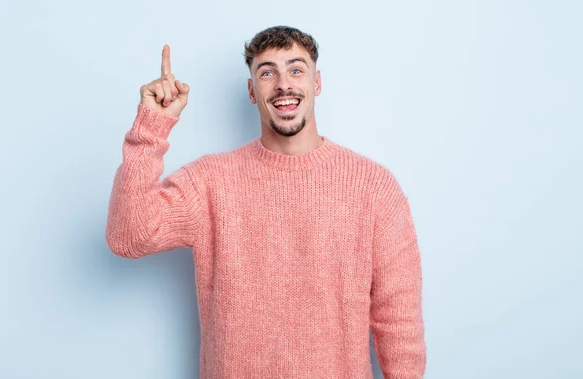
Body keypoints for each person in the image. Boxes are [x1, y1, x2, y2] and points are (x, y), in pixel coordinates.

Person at [106, 25, 426, 379]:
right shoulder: (211, 182)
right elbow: (128, 236)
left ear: (316, 83)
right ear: (252, 91)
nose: (283, 84)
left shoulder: (374, 187)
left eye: (296, 69)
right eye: (267, 72)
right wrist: (153, 125)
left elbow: (399, 320)